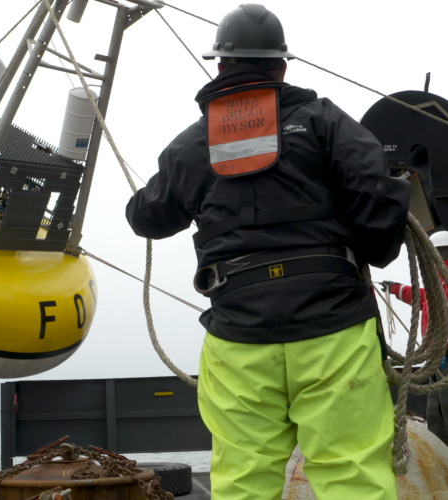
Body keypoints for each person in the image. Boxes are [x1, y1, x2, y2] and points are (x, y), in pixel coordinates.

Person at [125, 4, 411, 499]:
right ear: (281, 67)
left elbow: (145, 217)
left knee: (243, 481)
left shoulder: (194, 146)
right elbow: (378, 198)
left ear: (221, 67)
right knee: (353, 478)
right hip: (333, 329)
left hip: (238, 337)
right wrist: (371, 253)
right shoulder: (323, 121)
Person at [382, 230, 448, 445]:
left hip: (443, 353)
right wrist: (395, 289)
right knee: (436, 408)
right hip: (436, 356)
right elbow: (421, 297)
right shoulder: (435, 281)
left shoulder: (441, 280)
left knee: (442, 408)